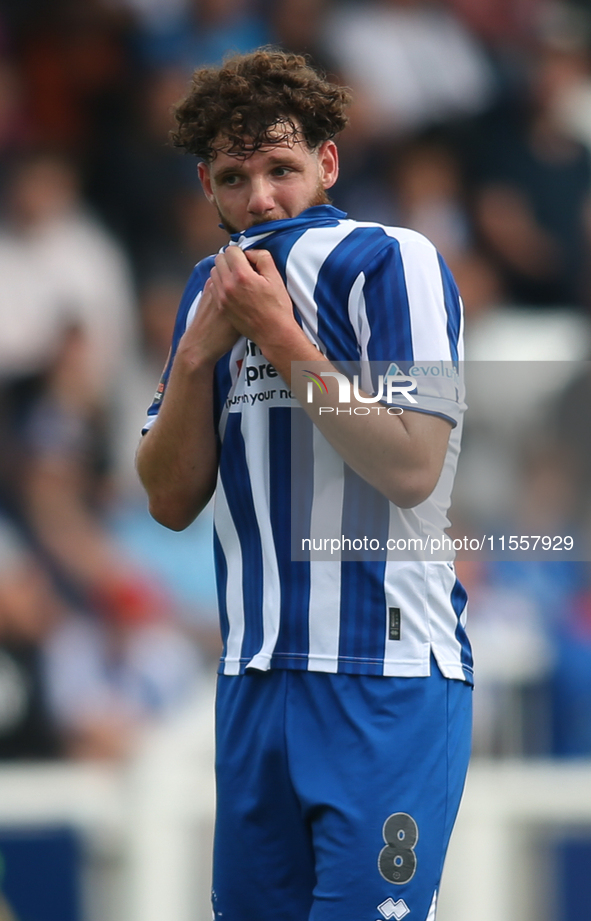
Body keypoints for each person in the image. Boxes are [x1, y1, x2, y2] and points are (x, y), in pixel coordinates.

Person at [136, 49, 472, 921]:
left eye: (281, 169)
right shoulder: (204, 295)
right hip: (253, 683)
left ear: (326, 163)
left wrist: (280, 341)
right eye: (235, 176)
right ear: (206, 184)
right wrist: (199, 354)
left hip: (385, 679)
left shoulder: (393, 259)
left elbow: (409, 465)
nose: (260, 201)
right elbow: (168, 500)